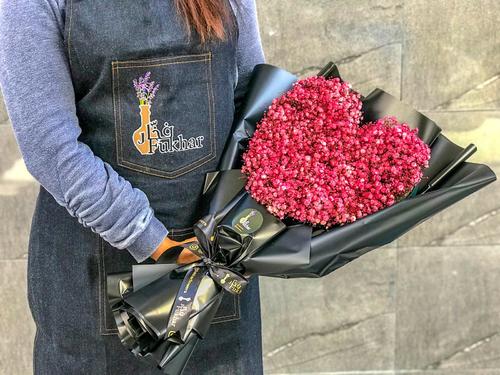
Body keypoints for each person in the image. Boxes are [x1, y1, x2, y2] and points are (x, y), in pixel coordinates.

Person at [0, 0, 265, 373]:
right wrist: (153, 240)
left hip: (216, 276)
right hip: (94, 278)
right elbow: (50, 146)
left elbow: (252, 98)